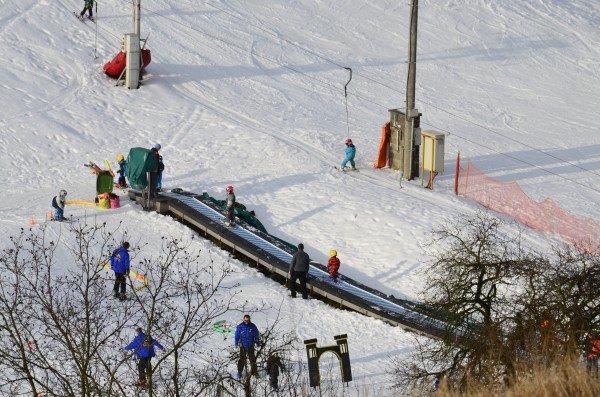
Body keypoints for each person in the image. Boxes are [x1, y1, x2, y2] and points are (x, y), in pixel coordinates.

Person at [234, 314, 260, 378]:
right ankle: (239, 372)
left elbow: (256, 334)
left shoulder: (252, 326)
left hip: (250, 345)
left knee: (252, 359)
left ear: (249, 319)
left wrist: (257, 342)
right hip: (242, 345)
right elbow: (237, 335)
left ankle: (255, 372)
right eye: (245, 320)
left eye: (247, 320)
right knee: (242, 360)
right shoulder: (240, 326)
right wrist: (236, 343)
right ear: (243, 319)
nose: (246, 321)